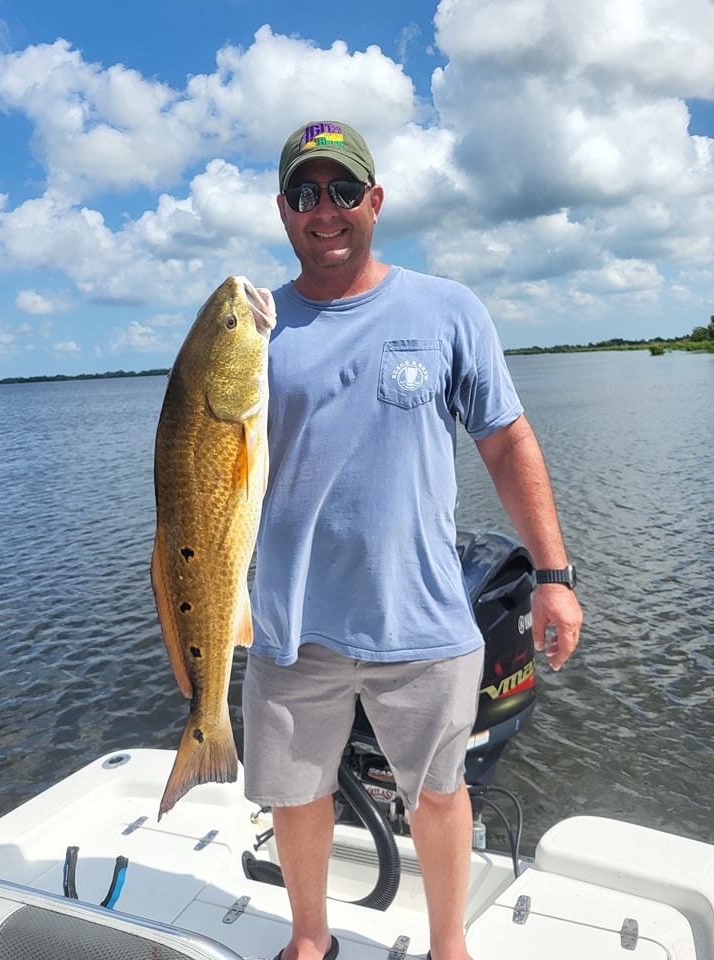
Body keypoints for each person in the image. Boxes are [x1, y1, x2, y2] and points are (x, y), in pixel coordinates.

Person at [243, 120, 583, 960]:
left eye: (343, 190)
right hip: (290, 624)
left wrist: (553, 575)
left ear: (376, 200)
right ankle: (310, 937)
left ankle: (447, 944)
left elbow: (507, 442)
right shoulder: (254, 329)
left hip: (425, 617)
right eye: (306, 193)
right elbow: (206, 459)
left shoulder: (446, 308)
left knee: (438, 791)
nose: (326, 209)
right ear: (283, 210)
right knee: (296, 795)